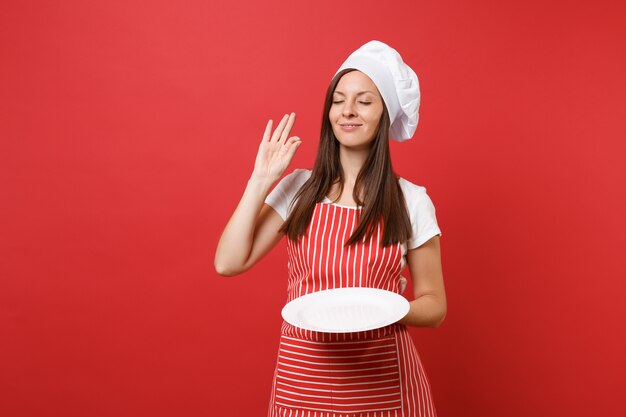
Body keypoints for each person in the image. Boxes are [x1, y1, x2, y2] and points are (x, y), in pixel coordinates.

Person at [215, 40, 446, 417]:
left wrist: (383, 308)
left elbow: (435, 306)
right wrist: (260, 180)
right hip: (301, 386)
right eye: (338, 100)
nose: (347, 111)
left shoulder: (410, 199)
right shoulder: (298, 188)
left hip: (382, 386)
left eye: (364, 101)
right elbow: (228, 263)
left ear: (384, 113)